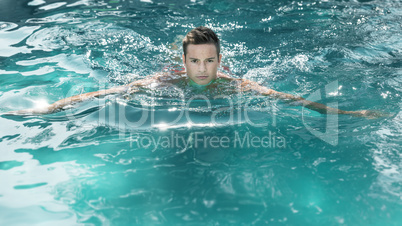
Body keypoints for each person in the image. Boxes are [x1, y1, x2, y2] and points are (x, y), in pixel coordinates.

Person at [5, 26, 380, 118]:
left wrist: (348, 114)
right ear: (183, 64)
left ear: (221, 61)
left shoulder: (234, 84)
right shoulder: (163, 80)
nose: (202, 70)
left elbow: (291, 99)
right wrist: (48, 109)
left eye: (209, 61)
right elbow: (104, 94)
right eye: (195, 61)